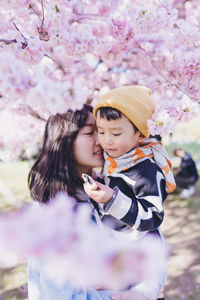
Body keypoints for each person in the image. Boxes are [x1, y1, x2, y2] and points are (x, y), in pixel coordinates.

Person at [27, 104, 148, 300]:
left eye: (100, 131)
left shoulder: (103, 191)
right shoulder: (52, 213)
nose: (101, 140)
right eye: (90, 132)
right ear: (63, 140)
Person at [84, 85, 176, 300]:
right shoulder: (114, 162)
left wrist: (111, 199)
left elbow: (152, 217)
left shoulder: (146, 170)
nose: (106, 140)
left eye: (116, 133)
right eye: (101, 131)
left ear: (139, 134)